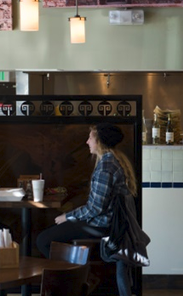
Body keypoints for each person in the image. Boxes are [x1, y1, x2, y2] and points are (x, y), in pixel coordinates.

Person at [36, 122, 137, 296]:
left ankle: (81, 278)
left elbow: (95, 208)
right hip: (109, 223)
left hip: (100, 225)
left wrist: (68, 216)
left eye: (90, 137)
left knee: (43, 240)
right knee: (55, 237)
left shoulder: (105, 167)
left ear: (100, 142)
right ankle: (79, 278)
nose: (87, 142)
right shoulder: (113, 161)